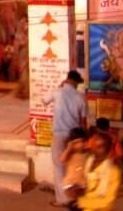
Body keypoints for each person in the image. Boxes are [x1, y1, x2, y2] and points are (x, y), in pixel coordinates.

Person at [44, 70, 88, 207]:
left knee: (59, 167)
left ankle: (63, 199)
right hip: (74, 136)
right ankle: (75, 196)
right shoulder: (81, 97)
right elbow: (83, 121)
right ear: (76, 83)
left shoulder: (57, 92)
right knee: (74, 166)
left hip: (59, 135)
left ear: (67, 80)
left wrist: (59, 86)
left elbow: (44, 101)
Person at [75, 132, 121, 211]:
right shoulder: (88, 161)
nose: (95, 149)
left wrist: (81, 202)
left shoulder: (113, 171)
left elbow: (107, 201)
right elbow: (86, 185)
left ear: (108, 149)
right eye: (94, 146)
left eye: (100, 147)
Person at [59, 127, 89, 203]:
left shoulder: (86, 154)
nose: (81, 144)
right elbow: (62, 159)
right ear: (72, 143)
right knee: (75, 204)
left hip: (83, 184)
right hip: (71, 184)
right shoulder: (70, 154)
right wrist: (69, 148)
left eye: (83, 141)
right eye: (78, 142)